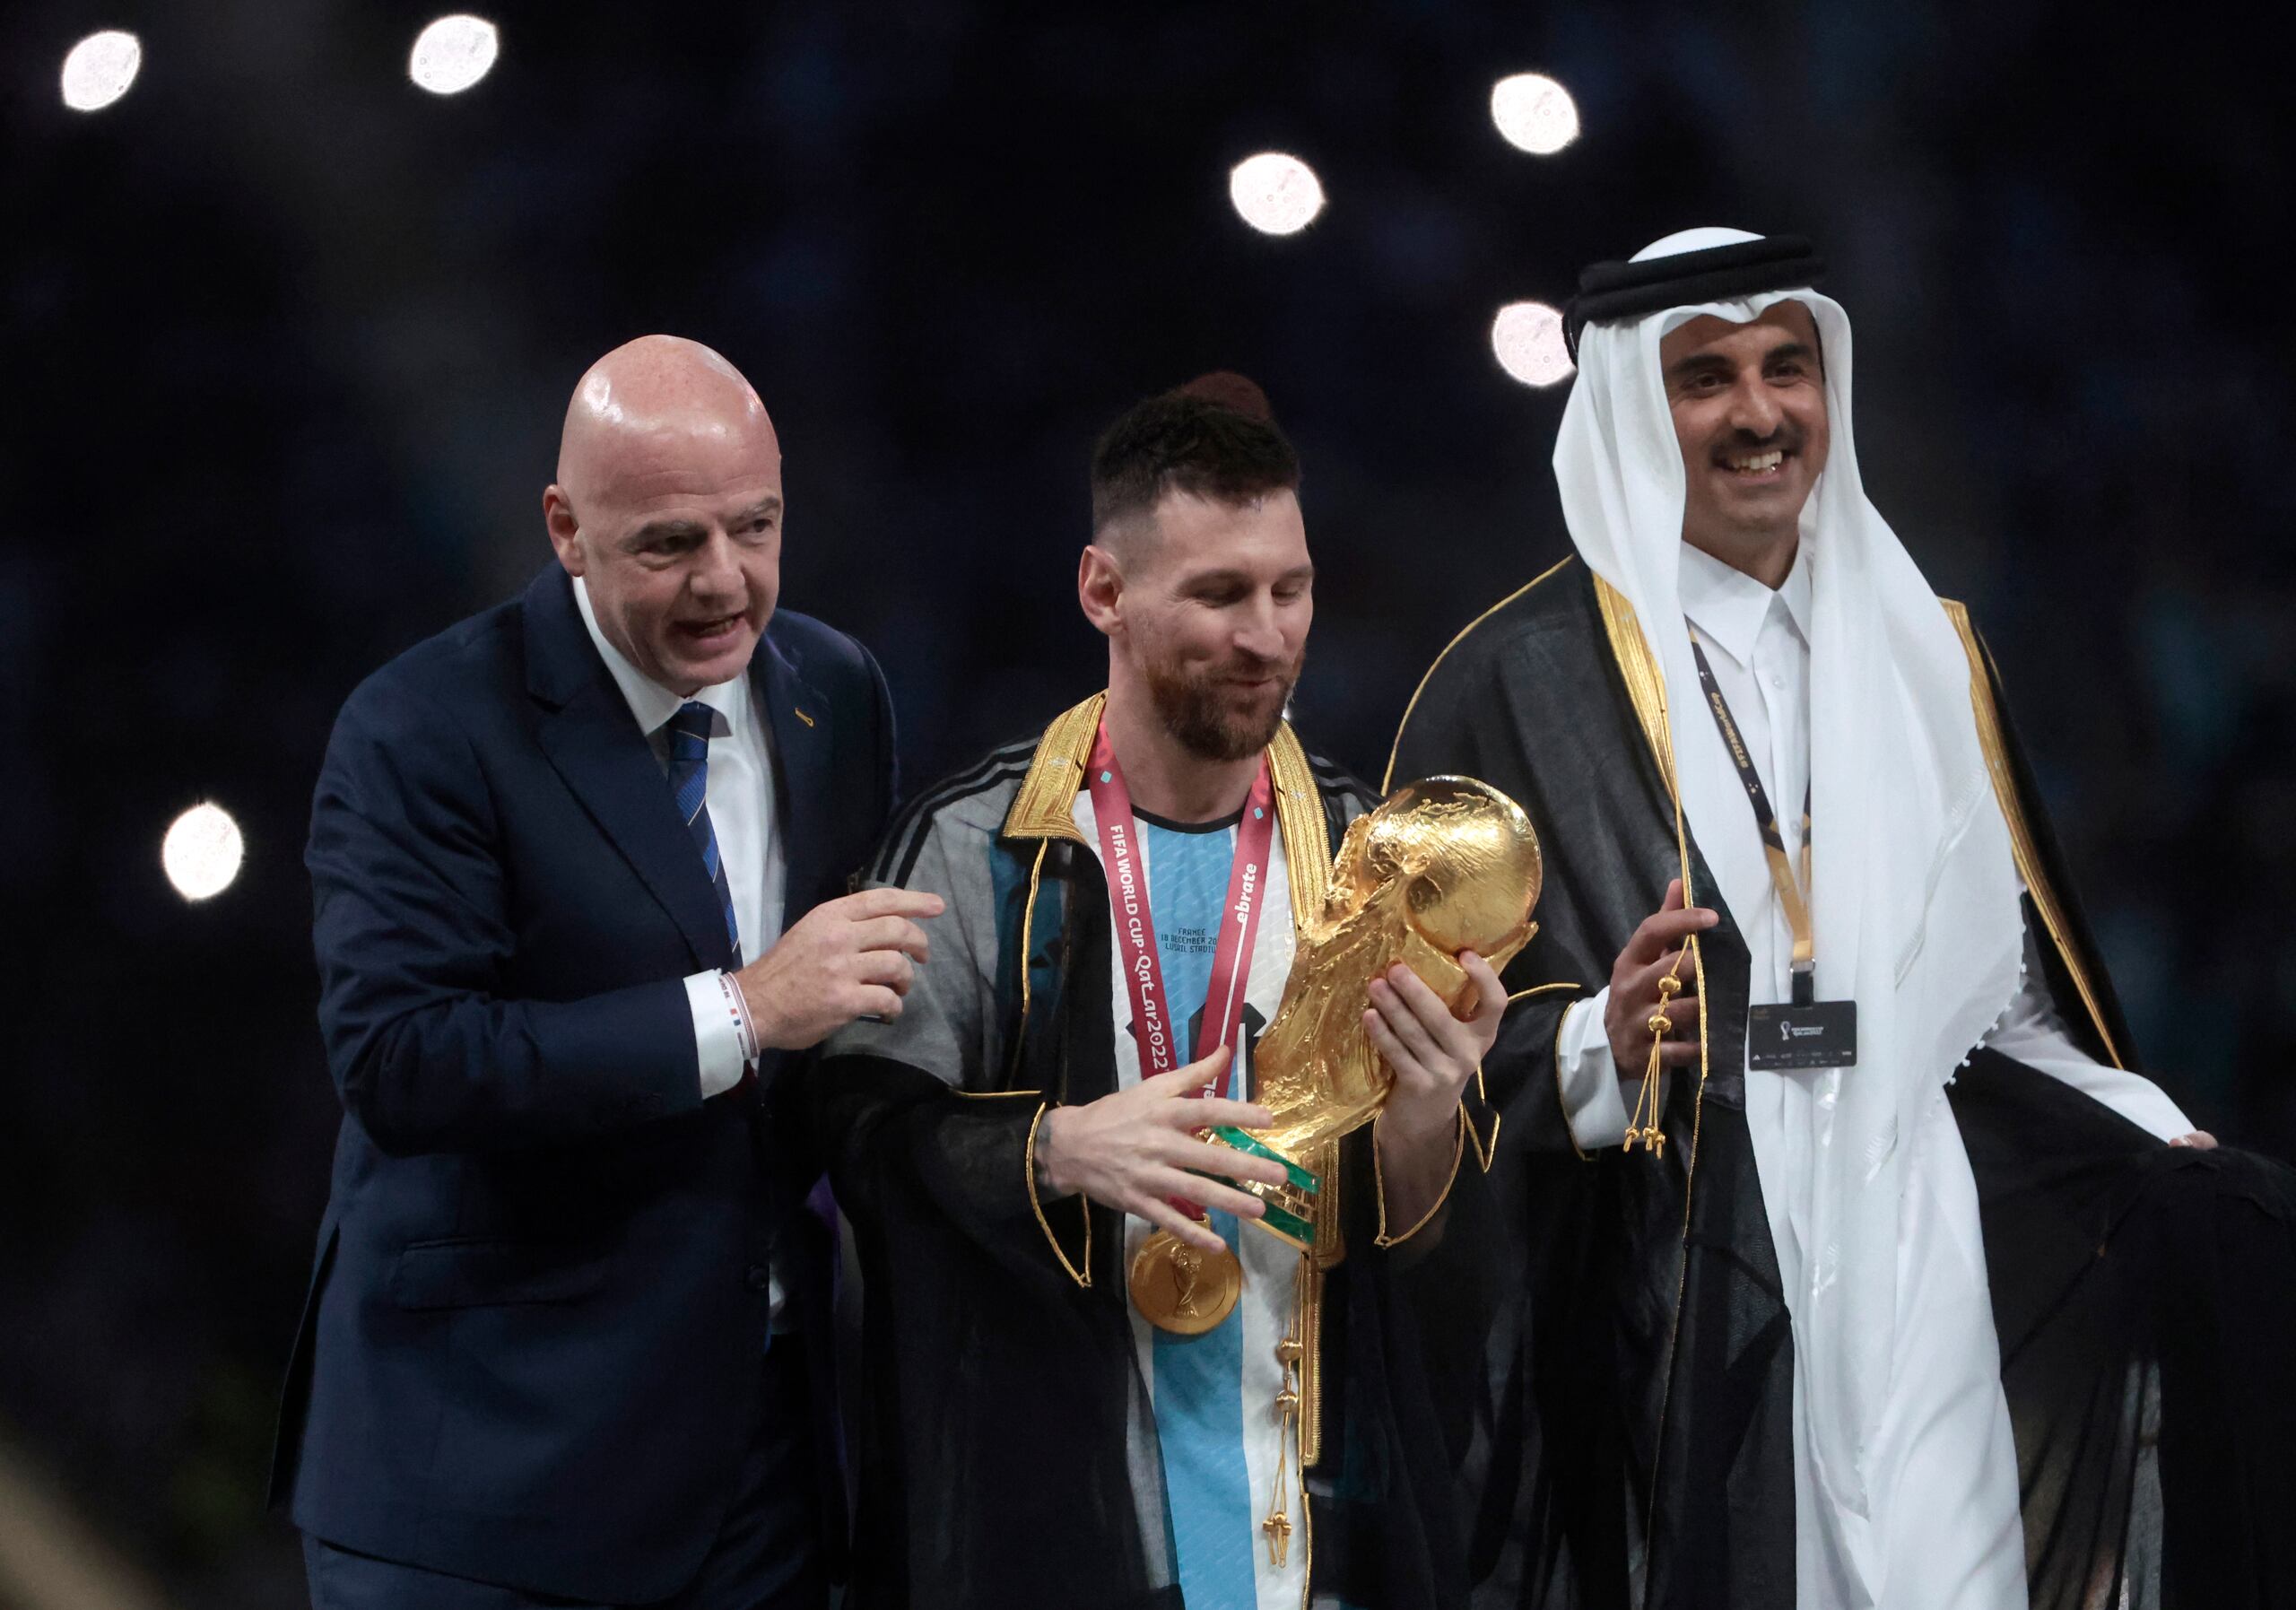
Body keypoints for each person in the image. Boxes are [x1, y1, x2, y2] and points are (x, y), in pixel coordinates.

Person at [1388, 231, 2296, 1610]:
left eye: (1785, 368)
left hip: (1913, 1237)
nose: (1759, 414)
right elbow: (1401, 1068)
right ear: (1637, 403)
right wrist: (1599, 1043)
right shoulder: (1516, 680)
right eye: (1707, 379)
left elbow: (1996, 995)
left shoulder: (1929, 644)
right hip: (1672, 1290)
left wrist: (2148, 1127)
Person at [270, 335, 941, 1609]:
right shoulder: (422, 729)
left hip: (762, 1467)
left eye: (756, 526)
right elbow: (403, 1060)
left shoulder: (836, 696)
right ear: (565, 529)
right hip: (485, 1474)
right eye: (668, 544)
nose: (725, 582)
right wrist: (746, 1010)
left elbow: (852, 1030)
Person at [815, 375, 1503, 1610]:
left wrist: (1428, 1119)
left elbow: (1426, 1240)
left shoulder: (1364, 859)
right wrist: (1056, 1149)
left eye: (1289, 589)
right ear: (1103, 592)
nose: (1268, 634)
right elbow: (861, 1144)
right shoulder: (979, 849)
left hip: (1315, 1516)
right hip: (1057, 1522)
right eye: (1219, 594)